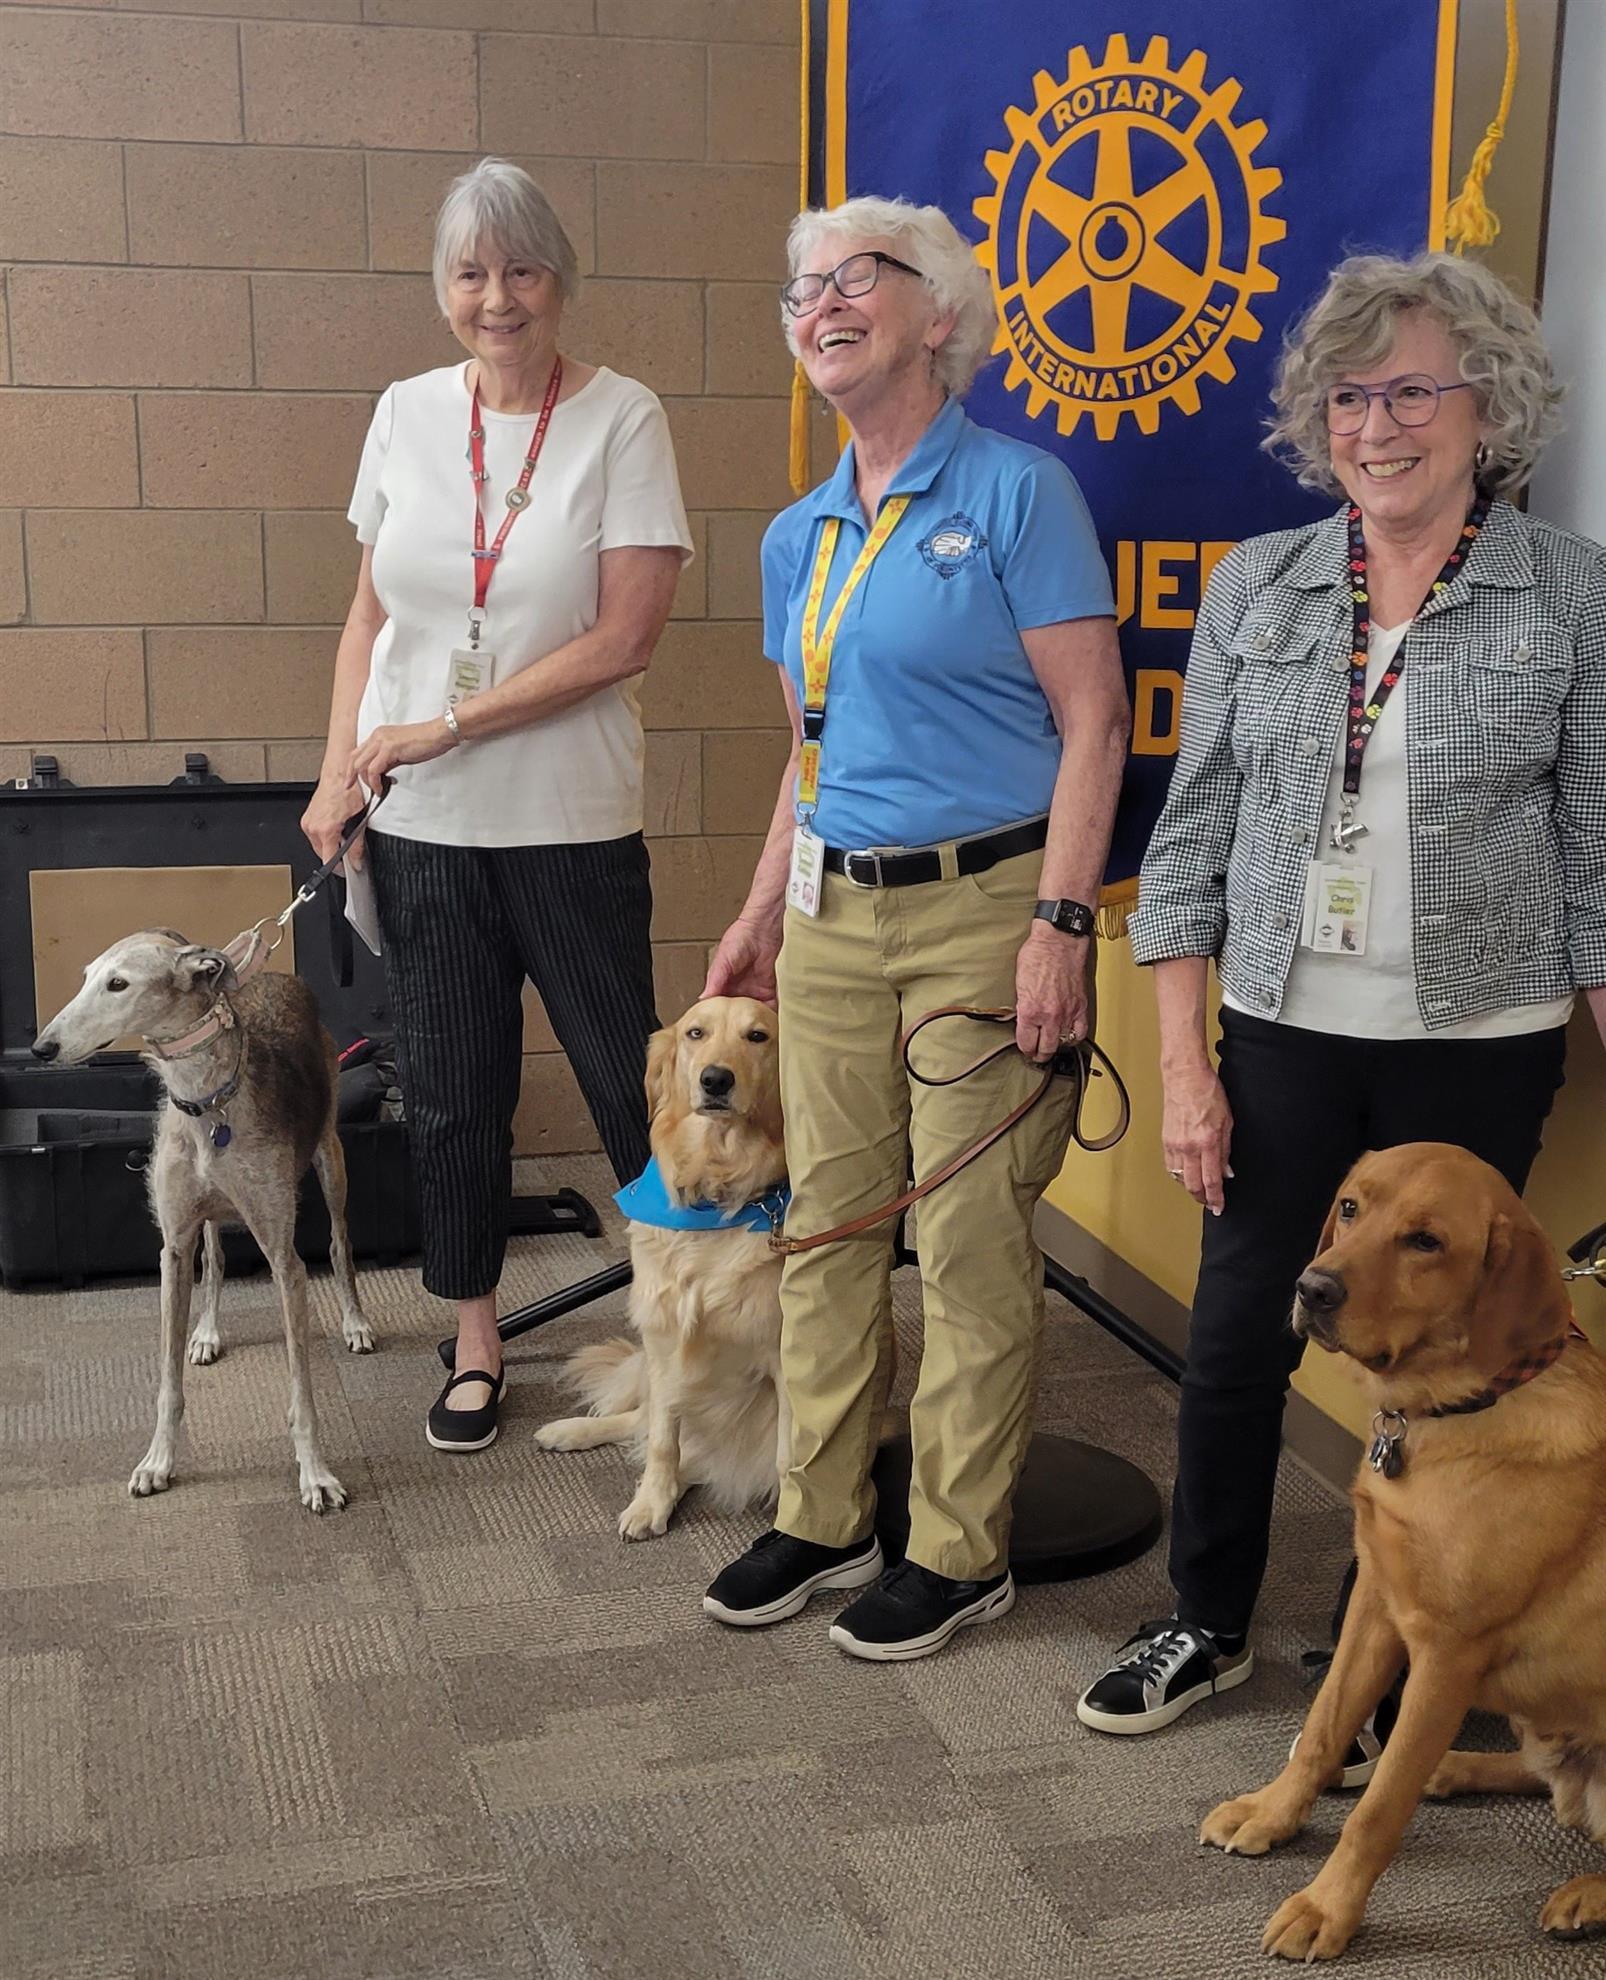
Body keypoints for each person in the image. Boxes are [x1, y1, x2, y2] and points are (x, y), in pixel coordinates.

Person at [1076, 252, 1606, 1755]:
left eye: (1412, 391)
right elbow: (1189, 841)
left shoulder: (1569, 594)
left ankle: (1403, 1654)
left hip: (1478, 1038)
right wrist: (1184, 1066)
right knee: (1245, 1319)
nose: (1376, 426)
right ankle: (1206, 1613)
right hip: (1286, 1027)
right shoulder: (1260, 584)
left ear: (1485, 407)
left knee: (1459, 1362)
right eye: (1350, 396)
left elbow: (1596, 862)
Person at [698, 196, 1129, 1660]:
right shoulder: (794, 535)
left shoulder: (1018, 493)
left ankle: (956, 1549)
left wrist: (1060, 925)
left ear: (936, 315)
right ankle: (821, 1512)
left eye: (851, 279)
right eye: (796, 287)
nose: (816, 303)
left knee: (965, 1243)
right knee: (823, 1224)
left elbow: (1096, 721)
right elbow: (808, 752)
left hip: (984, 911)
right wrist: (759, 912)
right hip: (830, 920)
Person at [300, 158, 693, 1454]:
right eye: (471, 273)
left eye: (522, 268)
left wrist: (442, 722)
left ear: (559, 279)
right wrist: (335, 766)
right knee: (457, 1093)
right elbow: (370, 615)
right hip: (422, 834)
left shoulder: (622, 417)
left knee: (628, 1080)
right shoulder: (405, 412)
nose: (497, 297)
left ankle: (689, 1327)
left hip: (570, 824)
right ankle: (475, 1340)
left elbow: (625, 638)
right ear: (443, 288)